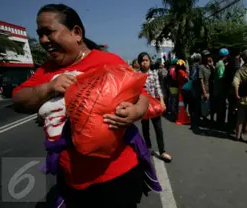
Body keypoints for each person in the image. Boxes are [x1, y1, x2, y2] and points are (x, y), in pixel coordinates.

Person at [12, 4, 148, 207]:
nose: (42, 41)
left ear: (76, 33)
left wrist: (135, 112)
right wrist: (49, 88)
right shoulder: (47, 70)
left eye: (48, 33)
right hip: (71, 179)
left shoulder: (107, 61)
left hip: (116, 176)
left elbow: (142, 95)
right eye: (39, 34)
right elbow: (18, 100)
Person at [138, 52, 172, 163]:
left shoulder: (154, 74)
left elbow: (158, 88)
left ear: (150, 62)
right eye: (142, 60)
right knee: (145, 128)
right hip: (143, 106)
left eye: (146, 60)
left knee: (159, 129)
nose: (144, 62)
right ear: (139, 63)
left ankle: (162, 151)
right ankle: (148, 148)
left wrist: (162, 102)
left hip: (154, 106)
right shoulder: (137, 75)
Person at [213, 48, 229, 127]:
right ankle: (220, 124)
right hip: (220, 89)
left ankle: (219, 122)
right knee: (221, 108)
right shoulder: (221, 64)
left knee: (220, 107)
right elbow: (221, 76)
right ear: (225, 56)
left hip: (217, 88)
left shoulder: (218, 63)